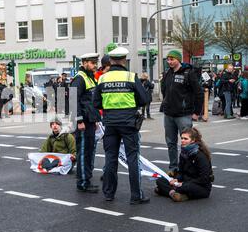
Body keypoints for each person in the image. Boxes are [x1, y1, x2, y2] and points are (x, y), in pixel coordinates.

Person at [94, 47, 150, 204]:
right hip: (129, 123)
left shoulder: (102, 79)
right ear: (124, 60)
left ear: (111, 61)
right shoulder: (131, 77)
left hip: (110, 123)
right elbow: (144, 99)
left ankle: (109, 194)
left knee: (110, 158)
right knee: (132, 158)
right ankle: (136, 196)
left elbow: (96, 102)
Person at [161, 50, 203, 176]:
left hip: (184, 114)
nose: (169, 62)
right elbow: (165, 90)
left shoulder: (188, 73)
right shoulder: (167, 73)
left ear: (178, 60)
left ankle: (189, 168)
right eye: (168, 59)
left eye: (172, 59)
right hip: (169, 114)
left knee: (188, 142)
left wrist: (196, 112)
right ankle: (173, 168)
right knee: (171, 143)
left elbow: (199, 93)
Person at [155, 127, 212, 202]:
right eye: (181, 138)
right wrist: (177, 179)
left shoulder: (201, 156)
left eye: (185, 139)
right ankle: (175, 194)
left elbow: (204, 179)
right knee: (160, 180)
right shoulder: (184, 153)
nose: (182, 141)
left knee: (186, 187)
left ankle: (168, 191)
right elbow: (181, 172)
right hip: (184, 182)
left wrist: (183, 183)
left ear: (193, 140)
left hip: (200, 186)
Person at [70, 53, 101, 193]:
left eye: (95, 63)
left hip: (89, 121)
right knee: (83, 153)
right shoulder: (79, 78)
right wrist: (79, 120)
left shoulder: (89, 78)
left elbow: (90, 102)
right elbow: (73, 100)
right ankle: (82, 183)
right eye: (92, 63)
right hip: (83, 122)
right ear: (84, 63)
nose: (95, 66)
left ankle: (86, 179)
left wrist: (94, 120)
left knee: (88, 152)